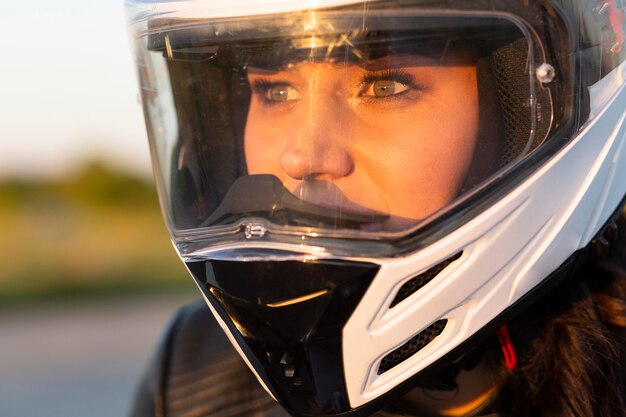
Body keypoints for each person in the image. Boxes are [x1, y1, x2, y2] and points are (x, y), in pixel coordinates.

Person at [124, 1, 626, 416]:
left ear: (530, 105)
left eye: (385, 86)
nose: (303, 157)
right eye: (275, 90)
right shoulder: (195, 373)